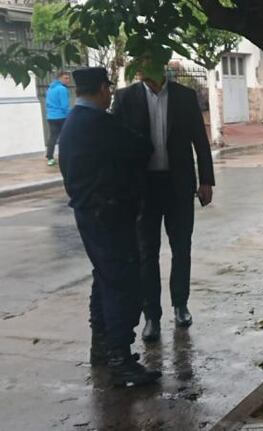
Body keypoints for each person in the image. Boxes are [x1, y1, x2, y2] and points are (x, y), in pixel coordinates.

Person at [57, 67, 160, 386]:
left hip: (90, 213)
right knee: (122, 283)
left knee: (104, 278)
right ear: (102, 89)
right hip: (110, 216)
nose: (112, 94)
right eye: (109, 88)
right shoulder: (100, 124)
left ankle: (101, 346)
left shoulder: (72, 124)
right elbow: (142, 148)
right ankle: (120, 358)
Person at [113, 66, 215, 342]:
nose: (140, 66)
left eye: (147, 59)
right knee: (147, 252)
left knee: (182, 246)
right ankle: (152, 316)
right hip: (143, 188)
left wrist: (206, 181)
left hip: (178, 185)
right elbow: (115, 146)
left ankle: (180, 305)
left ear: (160, 61)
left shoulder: (185, 96)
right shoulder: (125, 98)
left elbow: (200, 142)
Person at [45, 71, 72, 166]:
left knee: (52, 137)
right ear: (59, 78)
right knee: (66, 137)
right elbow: (64, 105)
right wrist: (70, 116)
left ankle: (50, 157)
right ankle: (66, 156)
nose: (68, 80)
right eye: (66, 78)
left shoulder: (50, 88)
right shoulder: (62, 89)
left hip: (51, 117)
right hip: (61, 116)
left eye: (68, 78)